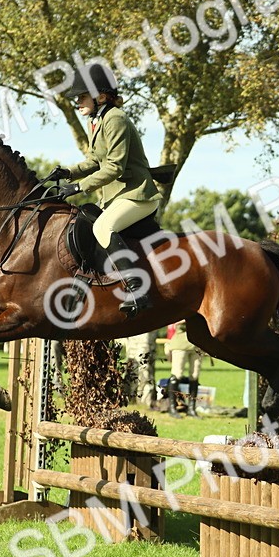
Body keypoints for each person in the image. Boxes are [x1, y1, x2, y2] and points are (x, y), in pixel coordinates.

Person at [47, 65, 161, 317]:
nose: (77, 103)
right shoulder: (97, 121)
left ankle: (136, 288)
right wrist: (67, 172)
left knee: (102, 228)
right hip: (118, 197)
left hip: (137, 195)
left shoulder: (116, 119)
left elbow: (114, 166)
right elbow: (93, 161)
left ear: (100, 96)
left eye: (81, 97)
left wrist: (79, 186)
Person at [164, 320, 203, 417]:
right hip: (180, 343)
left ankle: (191, 408)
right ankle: (172, 407)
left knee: (195, 375)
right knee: (177, 374)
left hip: (196, 344)